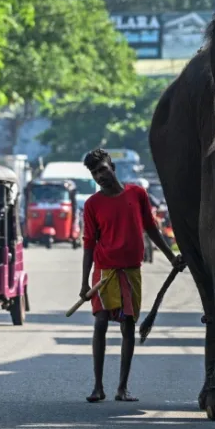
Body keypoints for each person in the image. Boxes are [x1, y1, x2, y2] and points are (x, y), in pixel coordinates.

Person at [79, 148, 185, 403]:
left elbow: (151, 228)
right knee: (101, 322)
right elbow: (89, 244)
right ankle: (98, 387)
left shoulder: (137, 194)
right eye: (95, 173)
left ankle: (122, 388)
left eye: (102, 170)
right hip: (104, 271)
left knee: (128, 325)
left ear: (112, 167)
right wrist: (84, 282)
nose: (100, 176)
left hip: (131, 270)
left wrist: (172, 257)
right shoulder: (92, 204)